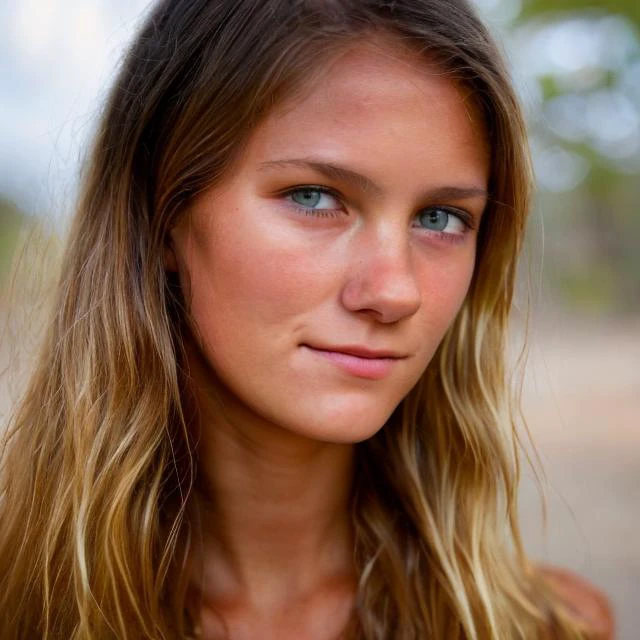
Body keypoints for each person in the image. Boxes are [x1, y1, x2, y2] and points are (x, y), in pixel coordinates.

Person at [0, 1, 613, 638]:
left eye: (440, 218)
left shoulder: (545, 625)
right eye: (314, 198)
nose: (394, 291)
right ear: (162, 214)